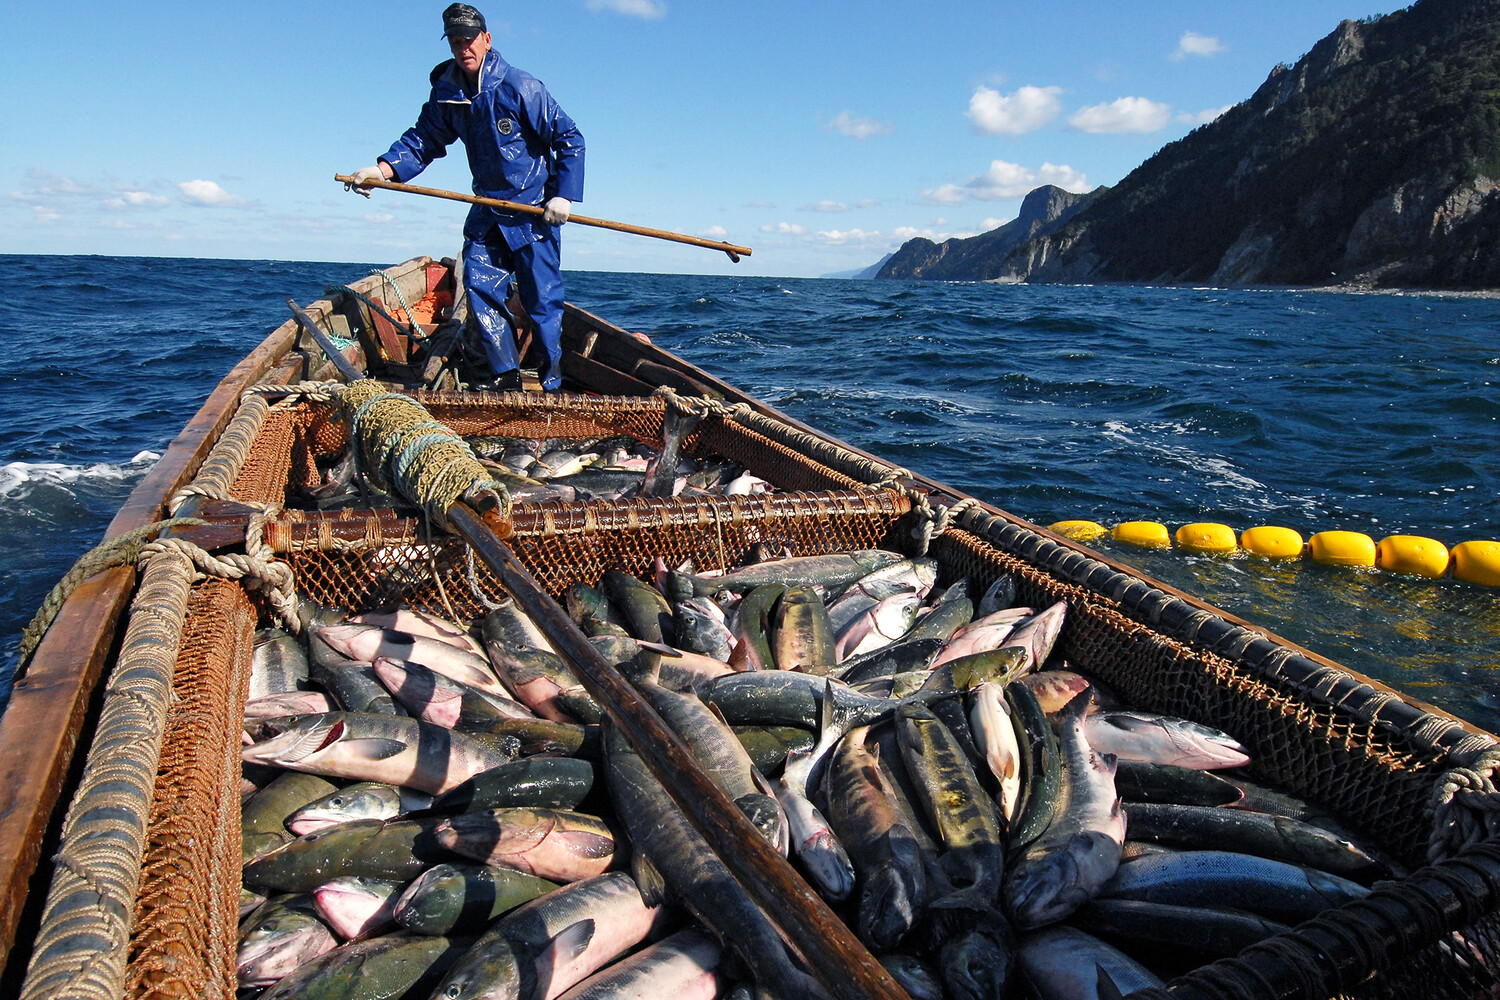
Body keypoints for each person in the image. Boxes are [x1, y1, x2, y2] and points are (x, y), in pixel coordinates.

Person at [346, 3, 584, 391]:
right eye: (456, 42)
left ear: (486, 40)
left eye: (469, 40)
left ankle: (552, 383)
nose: (463, 49)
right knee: (478, 287)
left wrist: (564, 196)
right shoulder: (448, 90)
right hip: (488, 209)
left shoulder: (522, 87)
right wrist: (384, 170)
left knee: (542, 302)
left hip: (533, 211)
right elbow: (424, 139)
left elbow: (571, 139)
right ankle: (506, 379)